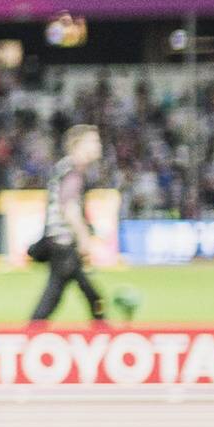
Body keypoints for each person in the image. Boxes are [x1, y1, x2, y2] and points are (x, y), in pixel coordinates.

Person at [25, 124, 136, 324]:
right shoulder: (72, 171)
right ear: (79, 145)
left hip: (60, 243)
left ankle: (34, 333)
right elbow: (69, 207)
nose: (99, 145)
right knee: (59, 298)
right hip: (63, 244)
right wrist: (84, 239)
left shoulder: (66, 168)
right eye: (93, 141)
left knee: (89, 296)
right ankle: (30, 335)